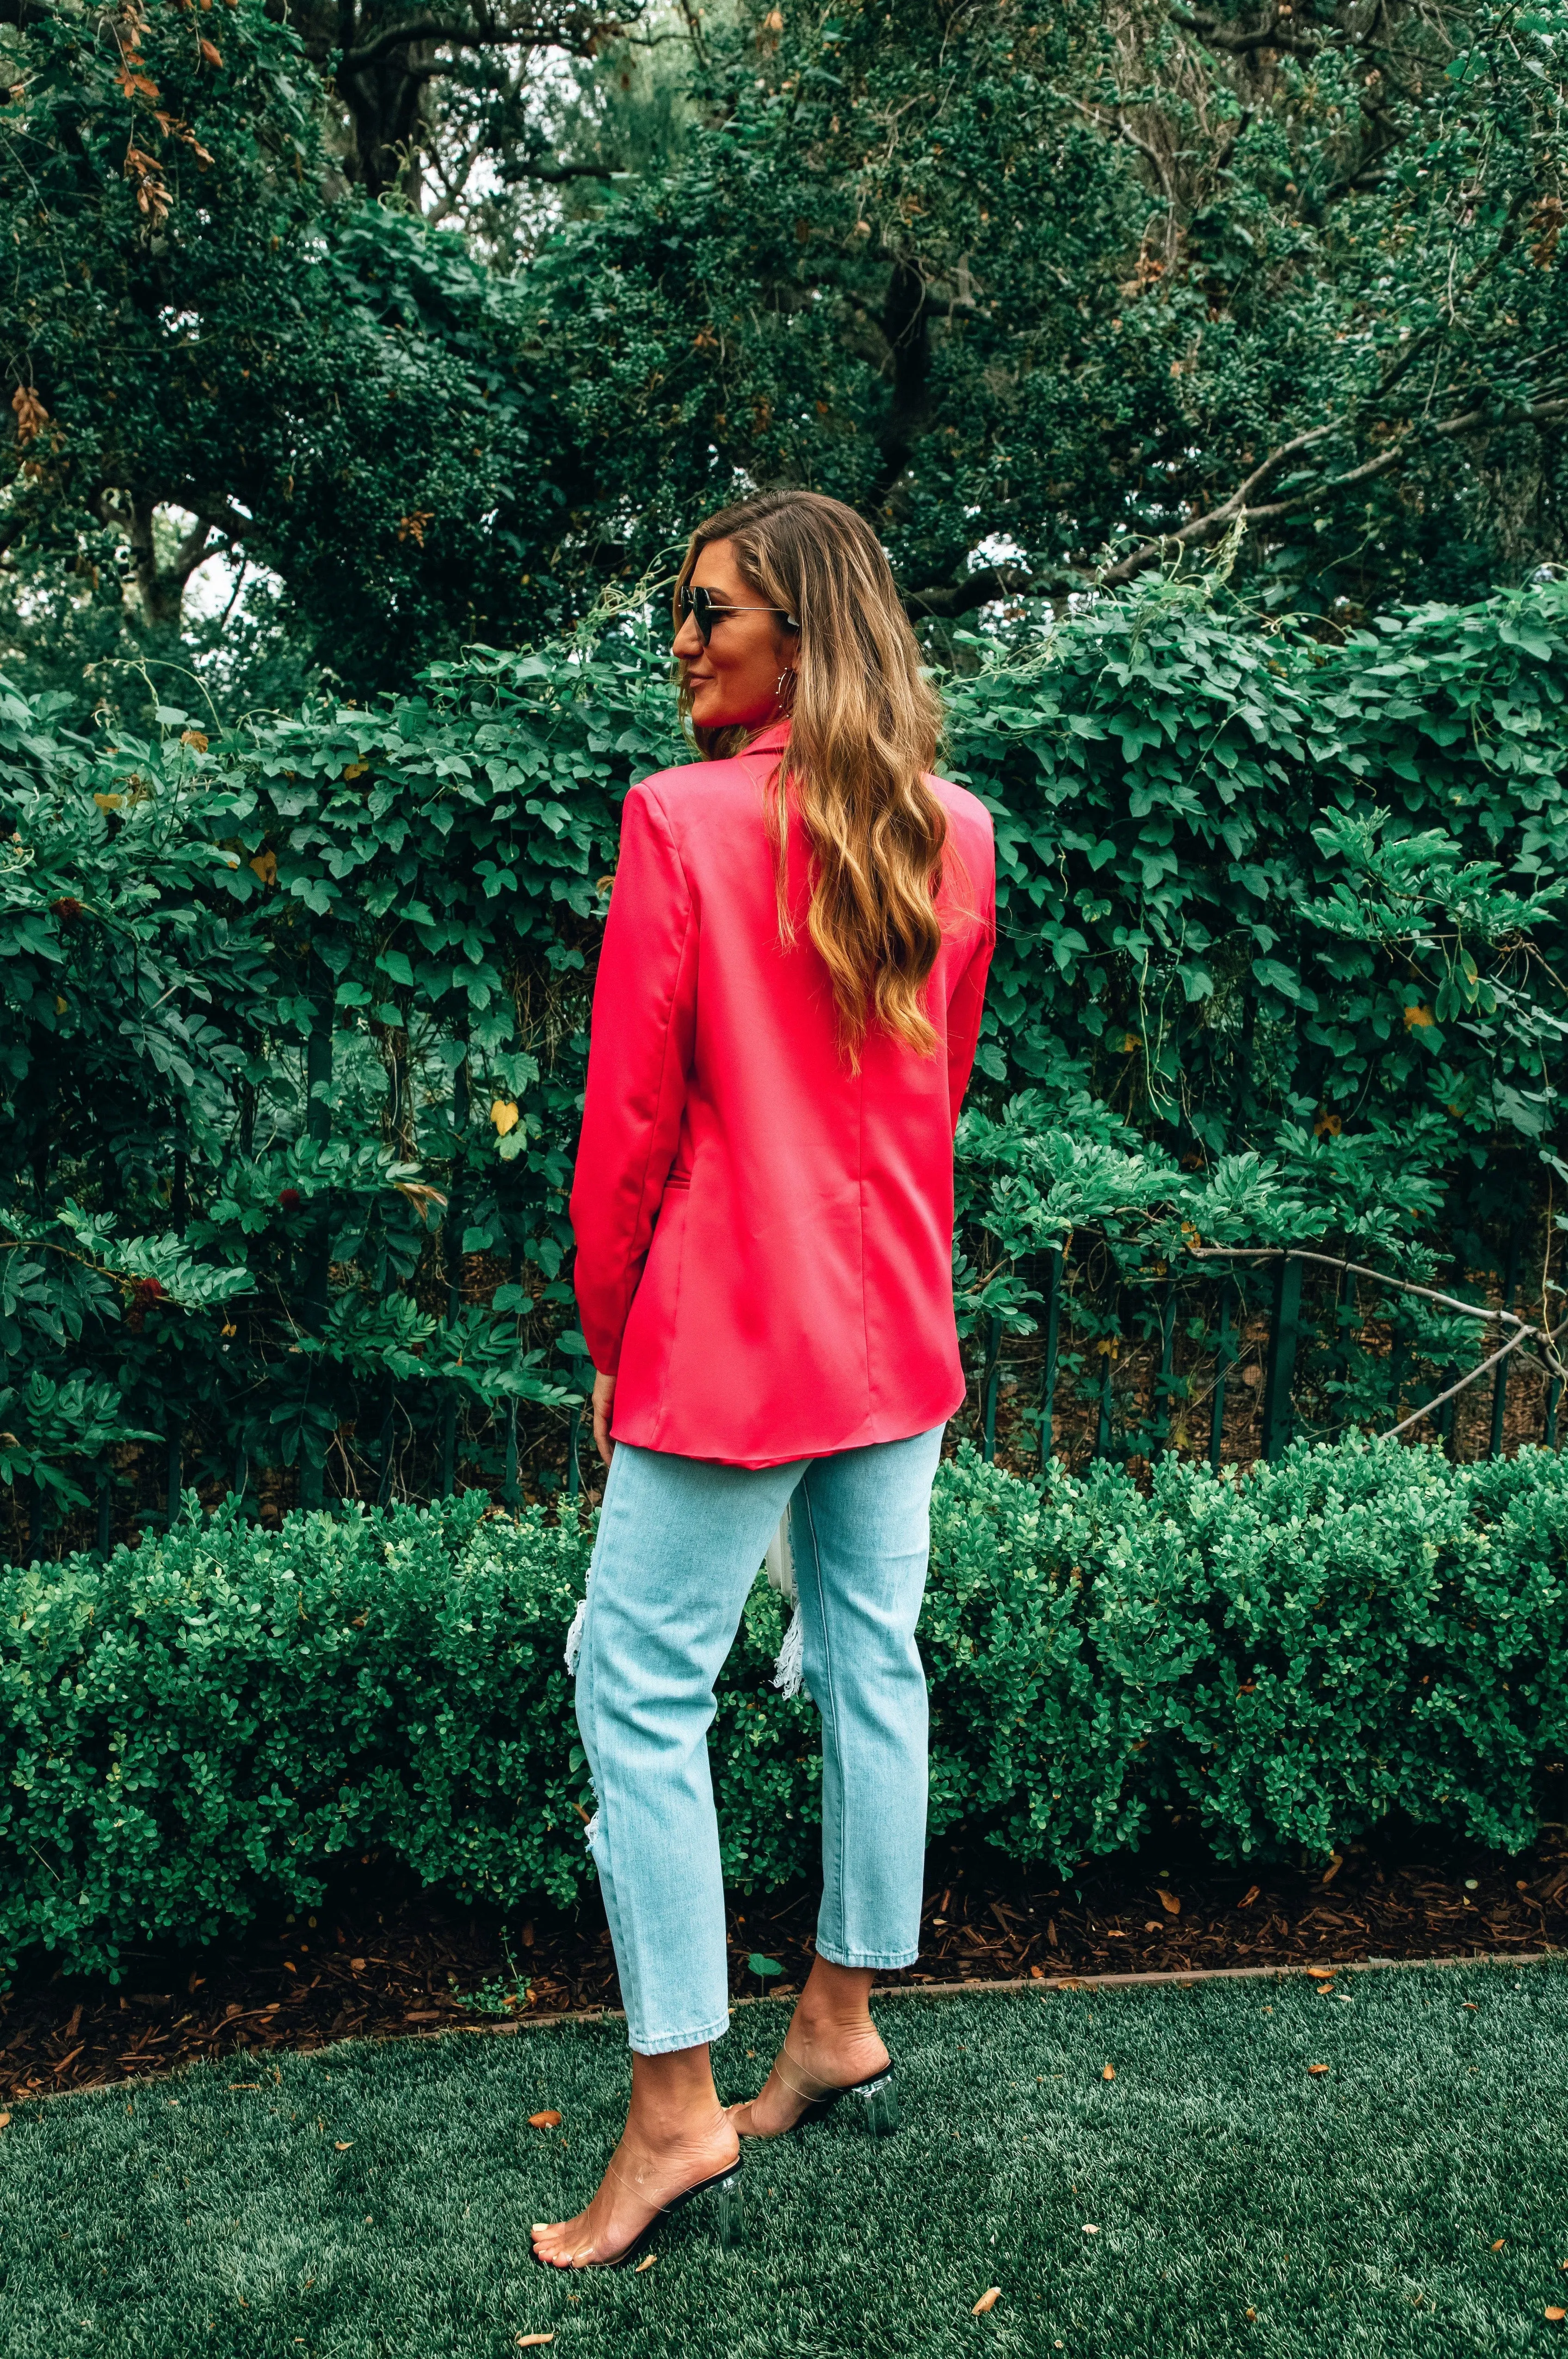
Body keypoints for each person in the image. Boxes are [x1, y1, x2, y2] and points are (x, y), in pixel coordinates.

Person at [530, 489, 995, 2271]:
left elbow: (627, 1131)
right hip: (894, 1327)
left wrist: (607, 1334)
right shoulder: (952, 830)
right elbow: (933, 1099)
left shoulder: (683, 822)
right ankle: (835, 2013)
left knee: (636, 1688)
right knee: (870, 1656)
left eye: (709, 610)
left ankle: (670, 2114)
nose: (681, 639)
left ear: (799, 632)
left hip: (728, 1339)